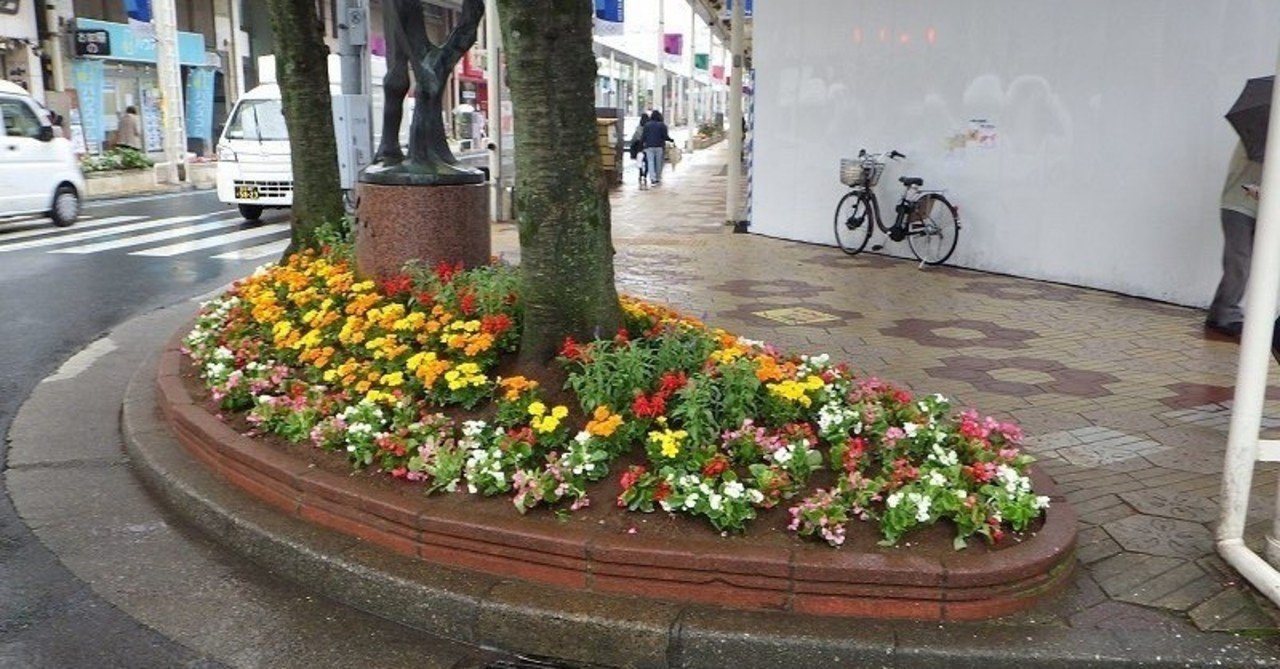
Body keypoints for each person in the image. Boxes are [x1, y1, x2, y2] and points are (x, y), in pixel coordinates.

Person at [641, 110, 672, 186]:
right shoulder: (662, 125)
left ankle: (653, 179)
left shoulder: (647, 125)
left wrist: (642, 144)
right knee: (659, 163)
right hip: (659, 146)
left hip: (649, 146)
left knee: (650, 162)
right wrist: (671, 140)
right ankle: (658, 178)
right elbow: (665, 136)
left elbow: (643, 136)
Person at [630, 112, 649, 189]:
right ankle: (645, 175)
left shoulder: (638, 127)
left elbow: (634, 138)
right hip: (647, 146)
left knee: (640, 161)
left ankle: (640, 173)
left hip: (639, 146)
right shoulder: (648, 127)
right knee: (647, 161)